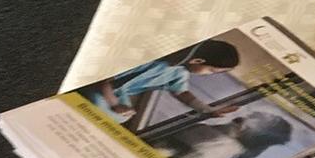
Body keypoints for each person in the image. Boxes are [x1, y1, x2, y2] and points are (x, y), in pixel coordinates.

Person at [81, 40, 241, 125]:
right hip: (101, 85)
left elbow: (182, 93)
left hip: (117, 94)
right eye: (211, 70)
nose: (208, 75)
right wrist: (115, 104)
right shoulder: (157, 60)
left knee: (123, 117)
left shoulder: (180, 72)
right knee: (103, 107)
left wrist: (206, 109)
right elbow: (105, 79)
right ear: (197, 60)